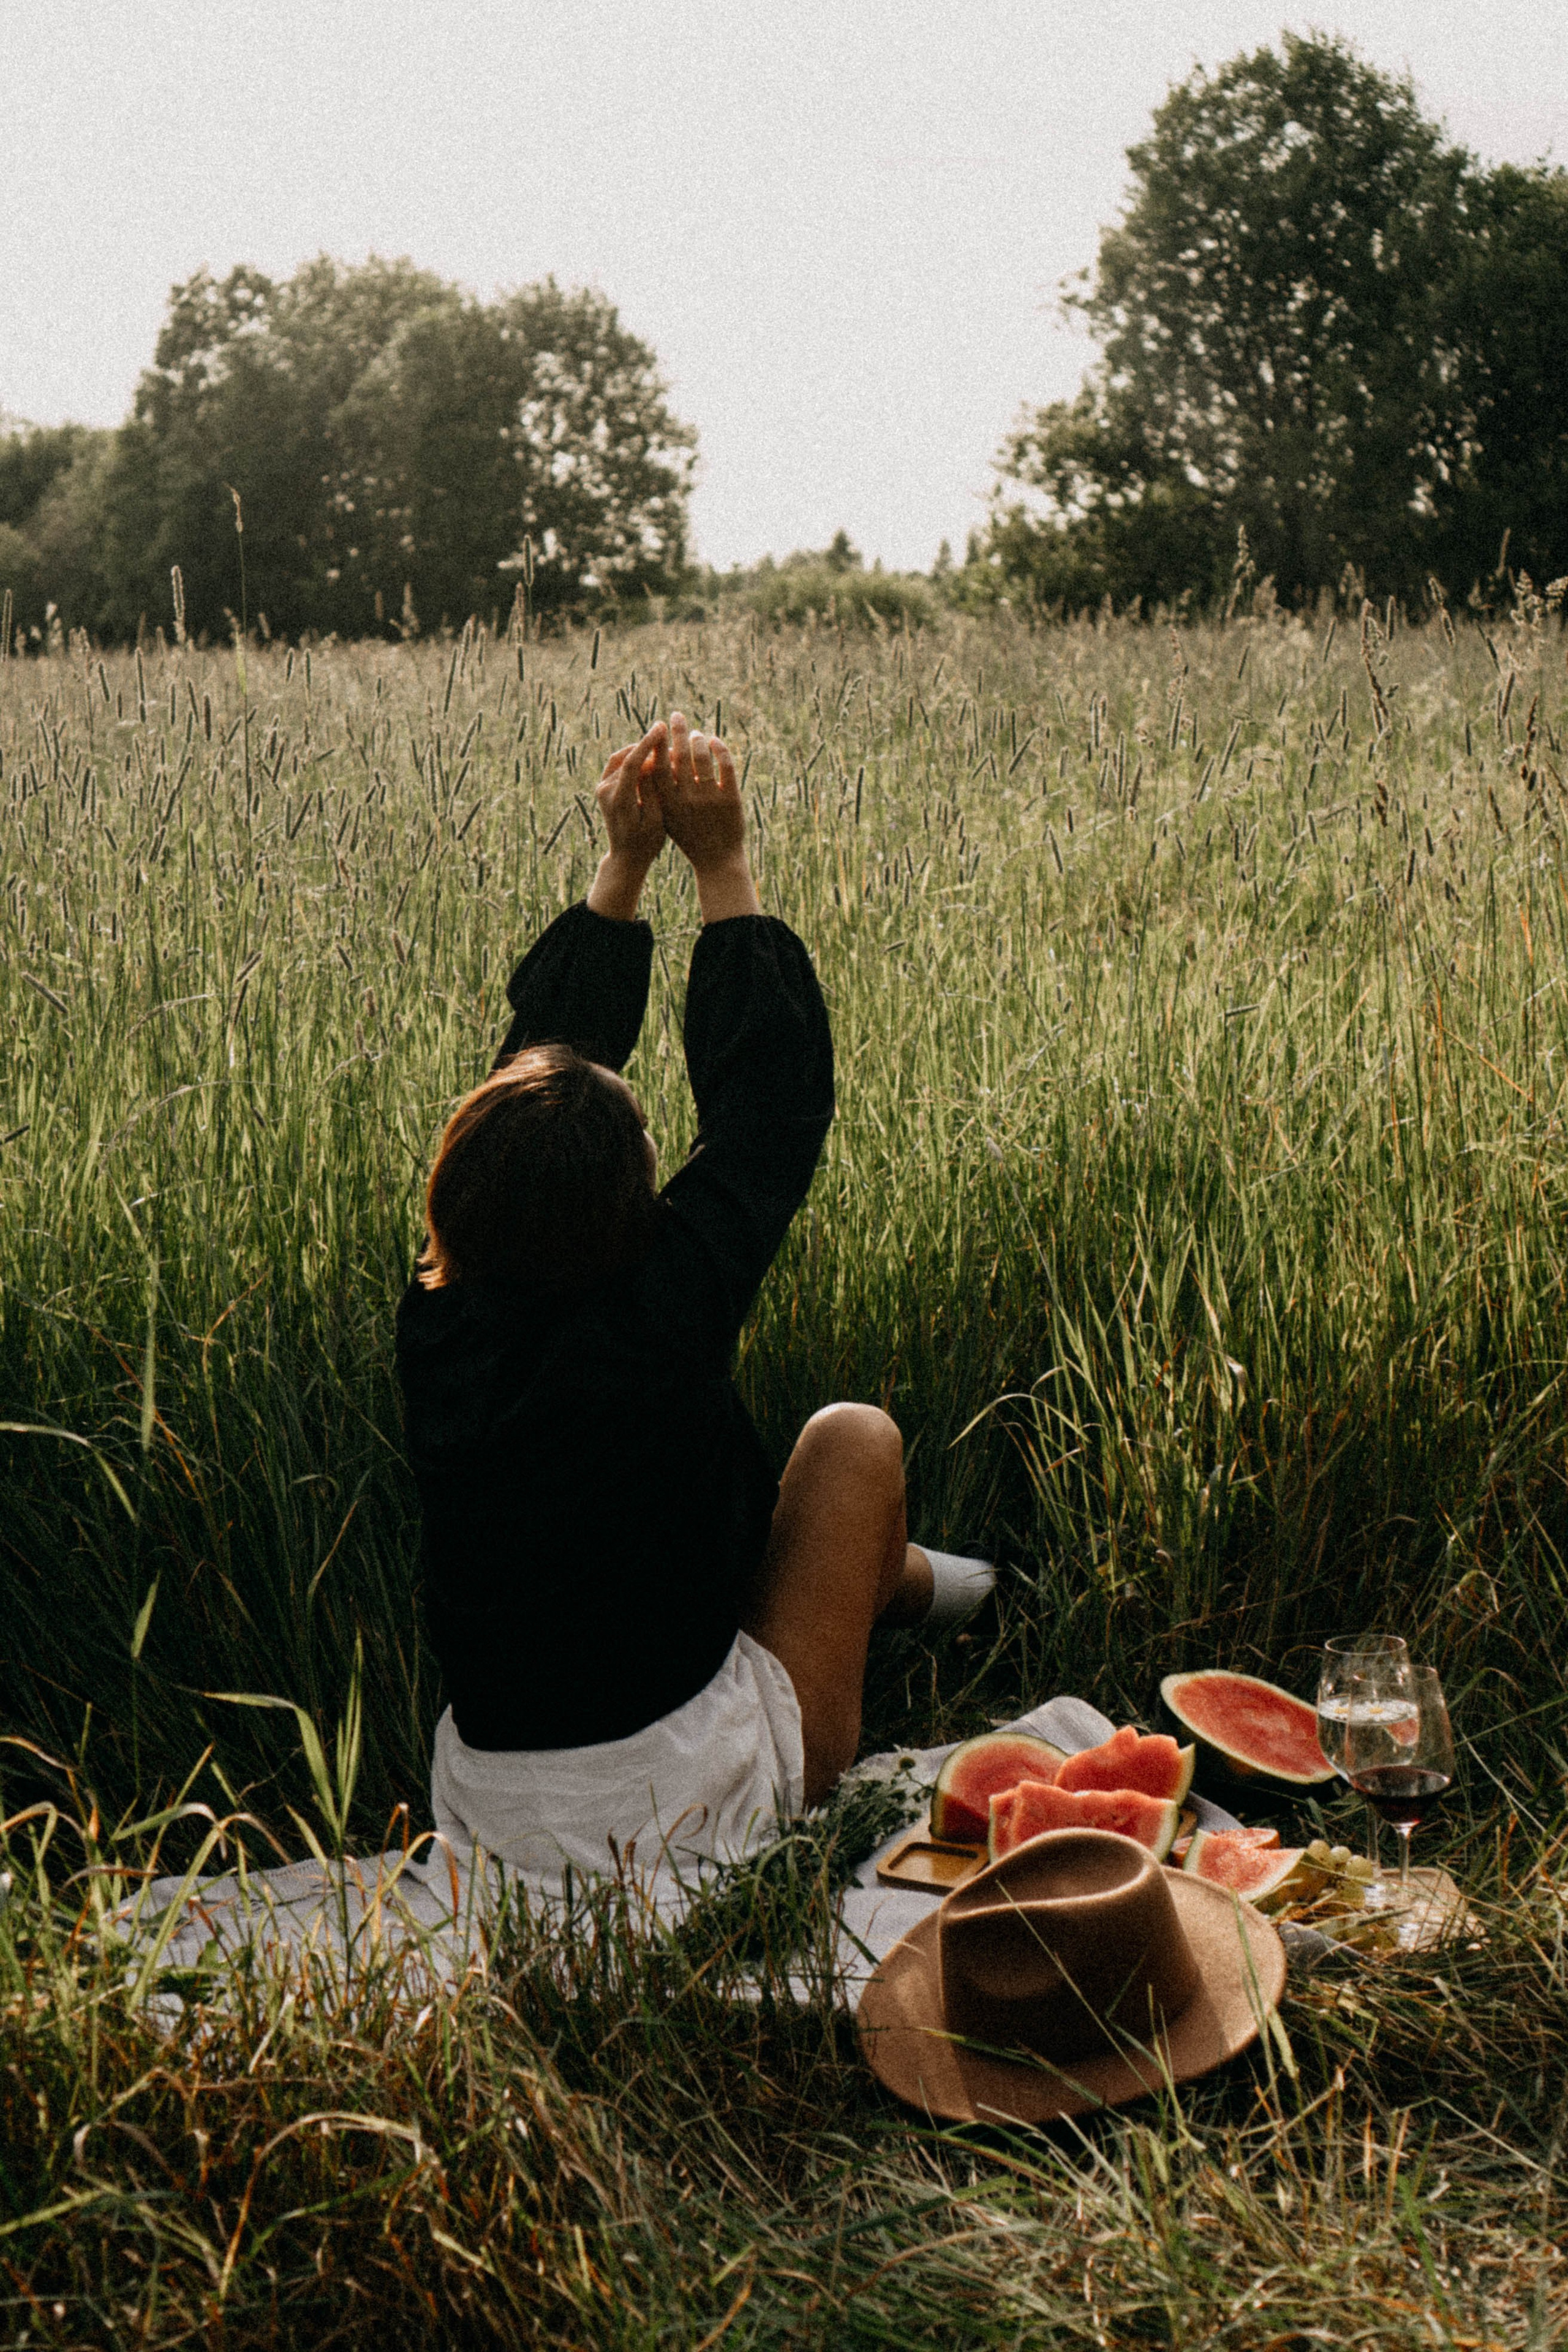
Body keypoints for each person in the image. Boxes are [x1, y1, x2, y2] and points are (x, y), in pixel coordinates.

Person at [395, 710, 993, 1885]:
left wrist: (620, 871)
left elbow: (532, 1086)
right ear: (636, 1212)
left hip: (493, 1813)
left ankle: (935, 1585)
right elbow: (771, 1106)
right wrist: (722, 866)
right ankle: (939, 1587)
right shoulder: (664, 1305)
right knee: (851, 1444)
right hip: (691, 1800)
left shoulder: (435, 1323)